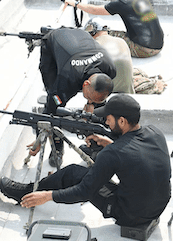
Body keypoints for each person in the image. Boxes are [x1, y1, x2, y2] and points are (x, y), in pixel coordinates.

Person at [0, 95, 171, 229]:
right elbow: (135, 154)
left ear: (122, 121)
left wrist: (47, 196)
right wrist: (108, 143)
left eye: (109, 120)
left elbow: (84, 191)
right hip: (157, 207)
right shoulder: (155, 132)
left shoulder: (113, 153)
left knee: (73, 173)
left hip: (130, 215)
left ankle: (26, 193)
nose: (107, 123)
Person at [36, 26, 117, 167]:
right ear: (85, 84)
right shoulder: (66, 80)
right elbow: (49, 112)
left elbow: (98, 95)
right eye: (89, 98)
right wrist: (38, 139)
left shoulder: (109, 68)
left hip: (80, 38)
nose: (89, 102)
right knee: (55, 103)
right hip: (54, 42)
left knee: (99, 107)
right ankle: (57, 147)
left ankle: (95, 145)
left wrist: (92, 108)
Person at [66, 0, 164, 58]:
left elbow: (94, 10)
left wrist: (75, 3)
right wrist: (116, 0)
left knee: (98, 32)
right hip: (158, 45)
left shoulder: (122, 3)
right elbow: (130, 7)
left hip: (142, 49)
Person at [85, 17, 135, 94]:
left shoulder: (92, 46)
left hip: (105, 93)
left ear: (92, 31)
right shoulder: (122, 41)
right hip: (128, 91)